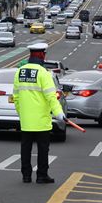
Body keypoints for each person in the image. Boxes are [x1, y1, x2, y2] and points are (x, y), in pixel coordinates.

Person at [13, 43, 65, 184]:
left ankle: (26, 176)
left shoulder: (20, 72)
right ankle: (42, 175)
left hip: (26, 120)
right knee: (42, 149)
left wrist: (21, 113)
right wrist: (59, 113)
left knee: (25, 148)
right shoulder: (44, 73)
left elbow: (16, 97)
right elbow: (51, 97)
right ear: (42, 55)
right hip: (41, 120)